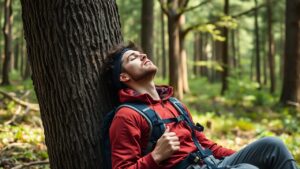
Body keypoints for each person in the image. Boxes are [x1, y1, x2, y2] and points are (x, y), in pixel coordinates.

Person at [103, 42, 298, 169]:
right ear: (124, 76)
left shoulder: (174, 104)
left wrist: (243, 155)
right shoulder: (127, 116)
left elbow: (203, 143)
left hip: (212, 163)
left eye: (141, 53)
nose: (143, 55)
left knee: (273, 145)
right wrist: (155, 156)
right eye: (133, 58)